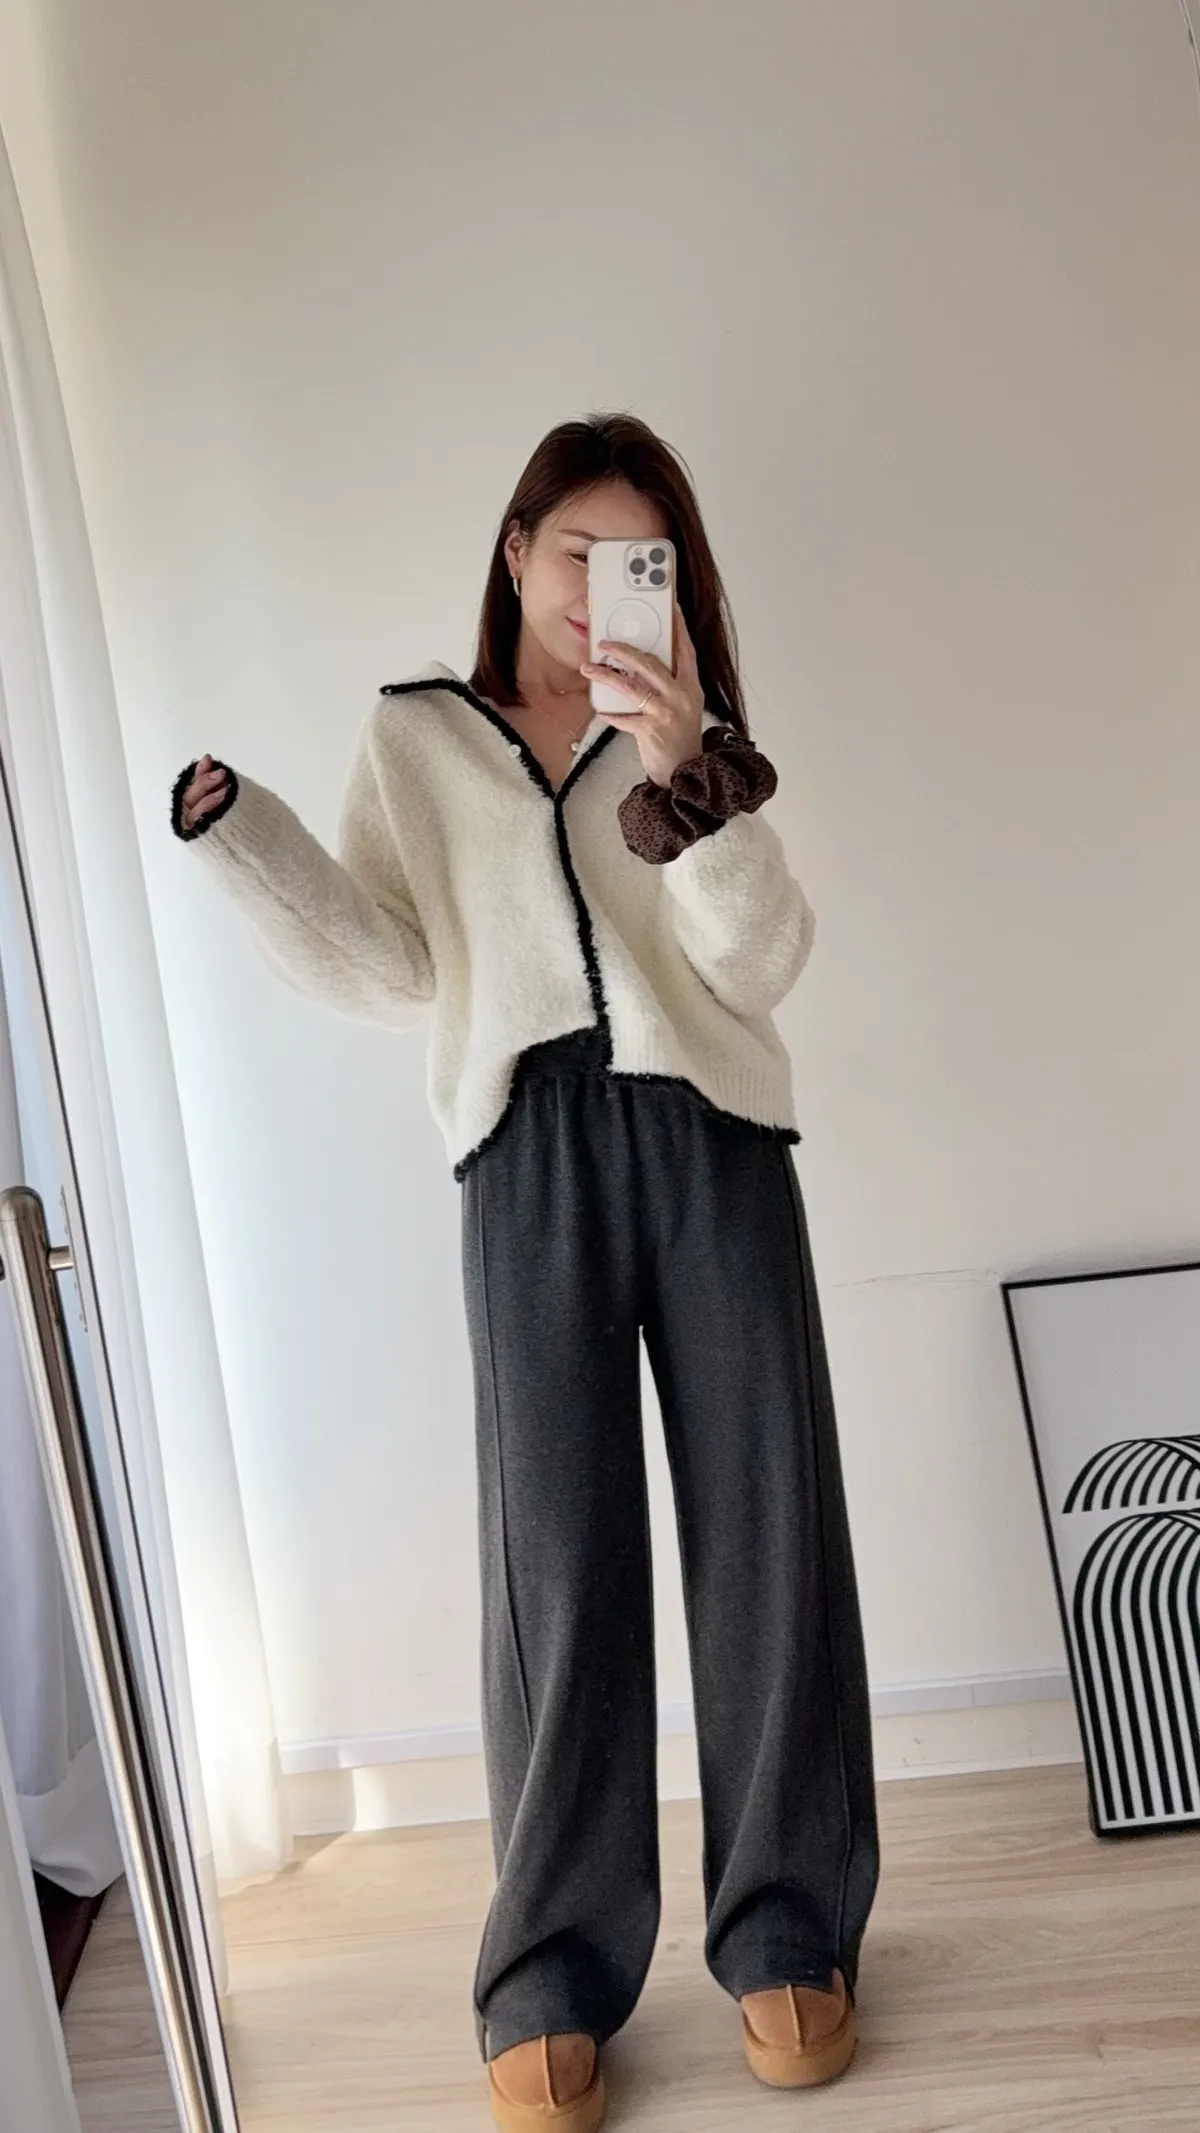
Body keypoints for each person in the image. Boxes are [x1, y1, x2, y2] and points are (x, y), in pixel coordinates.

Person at [172, 412, 880, 2133]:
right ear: (515, 549)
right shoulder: (418, 734)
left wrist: (689, 767)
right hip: (529, 1156)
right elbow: (394, 964)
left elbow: (759, 962)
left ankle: (790, 1930)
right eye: (578, 553)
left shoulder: (693, 738)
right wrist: (249, 839)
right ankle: (552, 1968)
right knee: (553, 1565)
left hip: (712, 1134)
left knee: (767, 1531)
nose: (597, 591)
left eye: (640, 561)